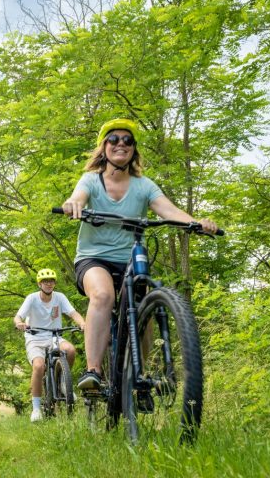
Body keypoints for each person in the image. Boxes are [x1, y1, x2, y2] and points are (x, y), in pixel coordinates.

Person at [60, 118, 218, 392]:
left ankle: (138, 376)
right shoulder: (90, 181)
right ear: (104, 147)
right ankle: (93, 371)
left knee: (143, 309)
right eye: (114, 139)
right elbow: (78, 197)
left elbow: (168, 210)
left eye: (127, 140)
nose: (121, 144)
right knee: (103, 295)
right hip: (94, 258)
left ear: (133, 149)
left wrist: (196, 222)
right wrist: (73, 204)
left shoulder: (144, 185)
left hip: (130, 260)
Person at [14, 268, 86, 422]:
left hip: (54, 336)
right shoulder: (32, 298)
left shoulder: (59, 297)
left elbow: (73, 313)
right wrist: (19, 323)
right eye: (45, 281)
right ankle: (36, 408)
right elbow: (18, 316)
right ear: (40, 284)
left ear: (54, 283)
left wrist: (82, 323)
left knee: (70, 350)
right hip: (35, 338)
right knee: (39, 366)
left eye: (51, 281)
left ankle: (62, 383)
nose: (49, 284)